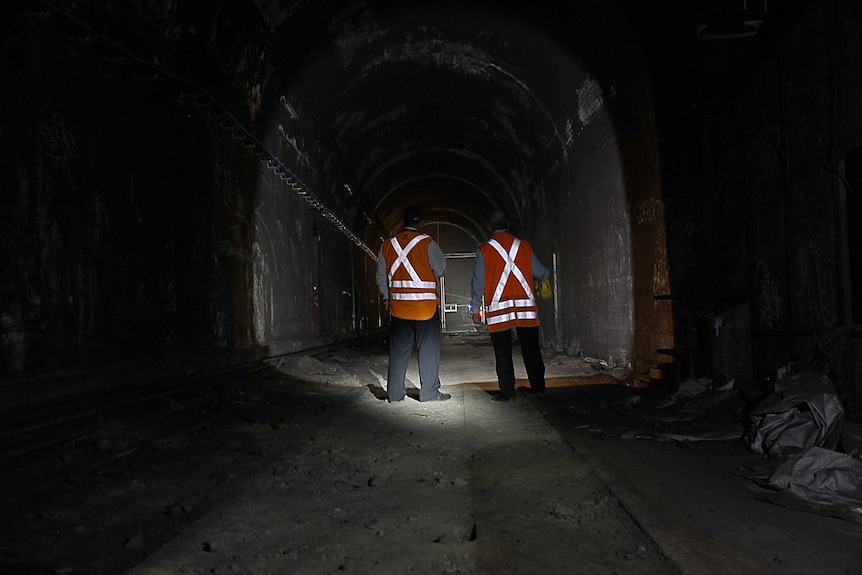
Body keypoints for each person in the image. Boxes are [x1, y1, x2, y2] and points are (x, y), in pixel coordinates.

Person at [470, 210, 550, 401]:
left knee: (503, 352)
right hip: (526, 310)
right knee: (531, 349)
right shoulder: (524, 246)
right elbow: (542, 273)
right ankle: (538, 387)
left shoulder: (484, 250)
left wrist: (474, 308)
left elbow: (478, 282)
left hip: (499, 311)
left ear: (490, 227)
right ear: (508, 225)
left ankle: (507, 392)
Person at [376, 205, 451, 402]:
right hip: (425, 308)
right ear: (421, 223)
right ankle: (429, 393)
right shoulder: (427, 243)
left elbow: (380, 278)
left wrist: (388, 297)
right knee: (428, 350)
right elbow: (441, 269)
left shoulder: (387, 245)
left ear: (404, 221)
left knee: (398, 352)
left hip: (399, 309)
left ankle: (394, 394)